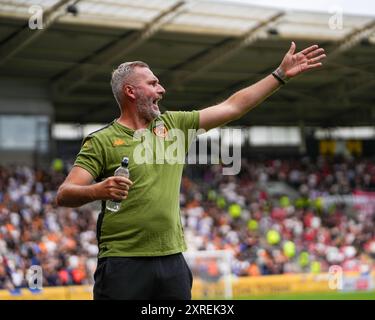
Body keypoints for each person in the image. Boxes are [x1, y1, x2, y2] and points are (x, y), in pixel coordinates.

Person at [56, 41, 326, 299]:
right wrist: (98, 190)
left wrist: (280, 75)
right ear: (130, 91)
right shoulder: (101, 140)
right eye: (153, 83)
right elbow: (65, 194)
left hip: (172, 259)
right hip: (123, 261)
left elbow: (233, 107)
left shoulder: (175, 125)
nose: (161, 90)